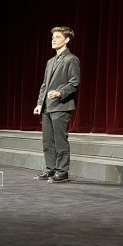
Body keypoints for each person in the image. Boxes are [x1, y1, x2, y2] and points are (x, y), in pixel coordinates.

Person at [33, 26, 80, 183]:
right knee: (48, 141)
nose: (53, 40)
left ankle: (62, 171)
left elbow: (74, 82)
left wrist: (60, 92)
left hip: (61, 106)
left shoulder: (71, 59)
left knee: (60, 141)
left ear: (66, 40)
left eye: (58, 37)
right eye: (53, 37)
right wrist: (39, 103)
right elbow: (44, 85)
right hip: (47, 107)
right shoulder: (50, 61)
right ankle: (50, 169)